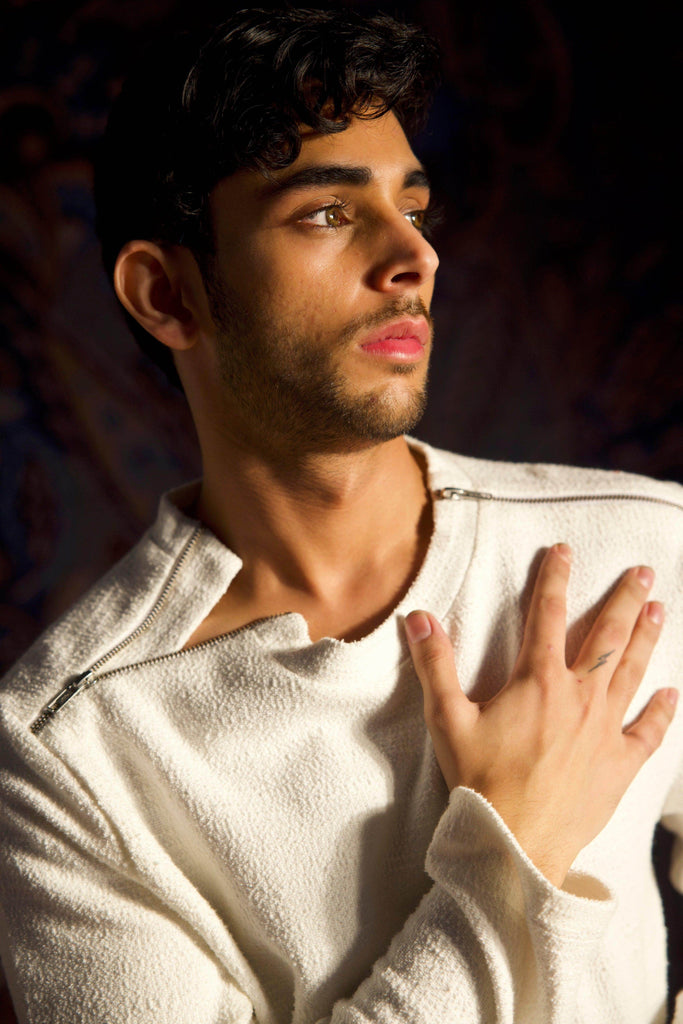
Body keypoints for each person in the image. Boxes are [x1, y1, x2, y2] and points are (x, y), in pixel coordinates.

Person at [0, 8, 681, 1023]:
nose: (413, 256)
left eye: (413, 206)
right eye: (324, 212)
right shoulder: (67, 750)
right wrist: (512, 848)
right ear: (166, 293)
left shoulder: (642, 549)